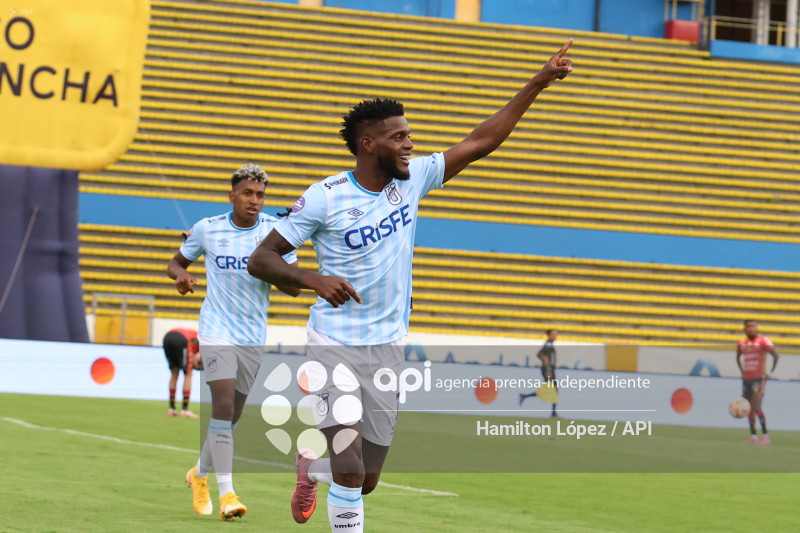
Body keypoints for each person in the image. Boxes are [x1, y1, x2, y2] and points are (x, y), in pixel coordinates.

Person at [246, 41, 574, 532]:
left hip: (388, 348)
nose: (409, 144)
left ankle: (310, 470)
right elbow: (261, 258)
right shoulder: (324, 198)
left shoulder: (412, 179)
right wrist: (313, 278)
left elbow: (481, 142)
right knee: (352, 470)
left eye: (409, 135)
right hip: (334, 346)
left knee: (367, 477)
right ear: (368, 145)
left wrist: (537, 83)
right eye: (398, 137)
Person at [167, 163, 301, 521]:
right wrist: (181, 276)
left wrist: (275, 271)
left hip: (252, 335)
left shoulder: (276, 232)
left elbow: (291, 287)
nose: (254, 200)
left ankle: (198, 475)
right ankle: (227, 494)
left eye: (260, 195)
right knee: (223, 408)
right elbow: (175, 263)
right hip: (215, 329)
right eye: (247, 193)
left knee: (232, 417)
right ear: (232, 196)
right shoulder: (208, 229)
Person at [736, 319, 779, 445]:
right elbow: (738, 357)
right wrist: (742, 372)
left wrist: (769, 373)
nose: (751, 329)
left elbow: (775, 356)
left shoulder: (763, 340)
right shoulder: (742, 343)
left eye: (753, 326)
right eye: (749, 326)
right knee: (748, 408)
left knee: (757, 406)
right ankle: (753, 437)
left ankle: (765, 437)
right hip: (747, 380)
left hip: (759, 379)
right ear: (744, 329)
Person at [519, 329, 559, 417]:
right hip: (548, 370)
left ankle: (524, 396)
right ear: (549, 335)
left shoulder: (549, 344)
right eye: (553, 334)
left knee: (553, 389)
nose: (555, 336)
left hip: (550, 369)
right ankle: (553, 413)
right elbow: (542, 354)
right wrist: (548, 368)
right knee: (553, 389)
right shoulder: (548, 344)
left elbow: (540, 354)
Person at [162, 327, 201, 418]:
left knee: (175, 372)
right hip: (182, 340)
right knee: (188, 374)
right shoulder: (206, 344)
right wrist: (195, 364)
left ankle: (172, 408)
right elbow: (198, 357)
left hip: (168, 337)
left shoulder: (196, 335)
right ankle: (185, 409)